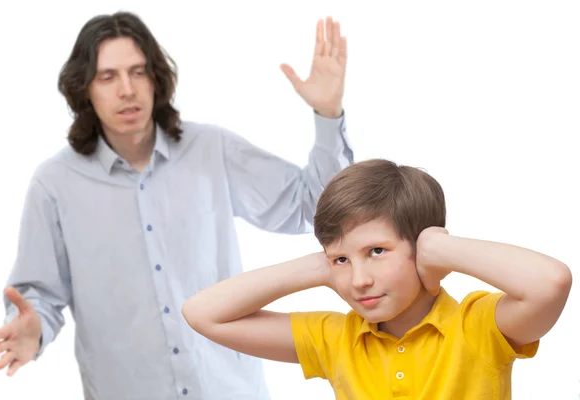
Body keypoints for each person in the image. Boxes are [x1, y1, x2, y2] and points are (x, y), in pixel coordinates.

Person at [0, 11, 353, 400]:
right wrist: (32, 329)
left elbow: (314, 208)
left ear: (157, 78)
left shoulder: (212, 149)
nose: (127, 89)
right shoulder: (54, 184)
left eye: (138, 72)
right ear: (85, 90)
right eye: (108, 77)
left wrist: (328, 115)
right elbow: (39, 294)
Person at [181, 158, 573, 399]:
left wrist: (442, 250)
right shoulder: (335, 338)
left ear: (421, 248)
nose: (359, 280)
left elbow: (550, 282)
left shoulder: (479, 326)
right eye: (341, 260)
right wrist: (318, 267)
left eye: (376, 252)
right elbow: (203, 314)